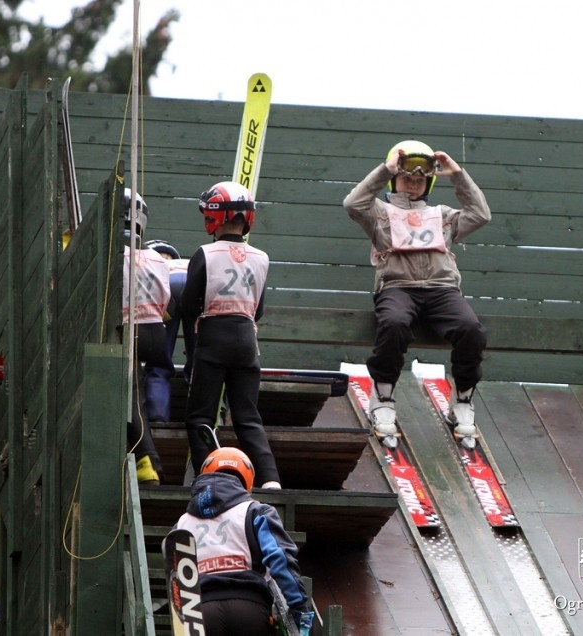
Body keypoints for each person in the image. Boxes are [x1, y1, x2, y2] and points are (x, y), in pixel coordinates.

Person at [343, 139, 491, 449]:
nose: (412, 184)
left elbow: (480, 215)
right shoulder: (378, 211)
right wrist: (385, 169)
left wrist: (458, 175)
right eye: (407, 177)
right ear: (396, 178)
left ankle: (463, 401)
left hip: (442, 290)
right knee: (394, 324)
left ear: (429, 183)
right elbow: (352, 204)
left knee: (471, 329)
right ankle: (383, 398)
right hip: (397, 287)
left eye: (419, 180)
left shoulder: (443, 214)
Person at [181, 181, 281, 488]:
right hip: (247, 339)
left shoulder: (205, 254)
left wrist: (191, 355)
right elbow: (259, 309)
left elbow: (188, 306)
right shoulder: (261, 257)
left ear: (214, 216)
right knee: (248, 416)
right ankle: (270, 478)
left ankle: (209, 479)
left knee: (200, 417)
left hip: (213, 335)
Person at [173, 446, 314, 635]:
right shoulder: (256, 511)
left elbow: (175, 574)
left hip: (200, 613)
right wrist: (299, 608)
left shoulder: (182, 523)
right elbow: (280, 558)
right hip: (250, 609)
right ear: (247, 480)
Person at [121, 188, 172, 484]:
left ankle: (147, 461)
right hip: (155, 332)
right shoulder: (155, 257)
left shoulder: (113, 252)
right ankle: (146, 462)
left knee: (130, 401)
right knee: (135, 395)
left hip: (128, 331)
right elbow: (167, 303)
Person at [143, 239, 196, 424]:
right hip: (193, 283)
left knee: (159, 361)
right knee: (201, 362)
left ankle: (157, 415)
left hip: (165, 285)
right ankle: (206, 418)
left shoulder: (148, 262)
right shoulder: (185, 263)